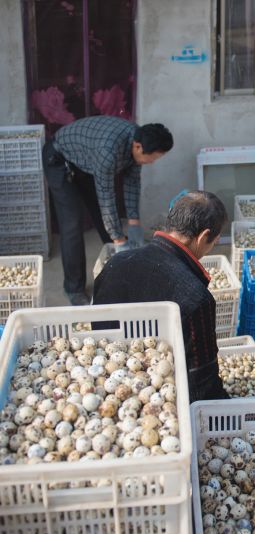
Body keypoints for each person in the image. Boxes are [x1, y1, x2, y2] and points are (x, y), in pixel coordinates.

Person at [93, 190, 229, 403]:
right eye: (214, 241)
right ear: (204, 237)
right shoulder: (195, 296)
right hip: (161, 406)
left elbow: (98, 338)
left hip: (105, 392)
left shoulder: (114, 264)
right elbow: (201, 382)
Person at [43, 116, 173, 305]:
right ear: (138, 147)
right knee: (72, 224)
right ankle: (74, 289)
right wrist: (120, 240)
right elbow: (106, 197)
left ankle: (118, 265)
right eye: (152, 158)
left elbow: (132, 183)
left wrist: (134, 222)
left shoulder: (139, 138)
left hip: (84, 161)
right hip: (58, 160)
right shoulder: (108, 151)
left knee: (105, 218)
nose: (152, 162)